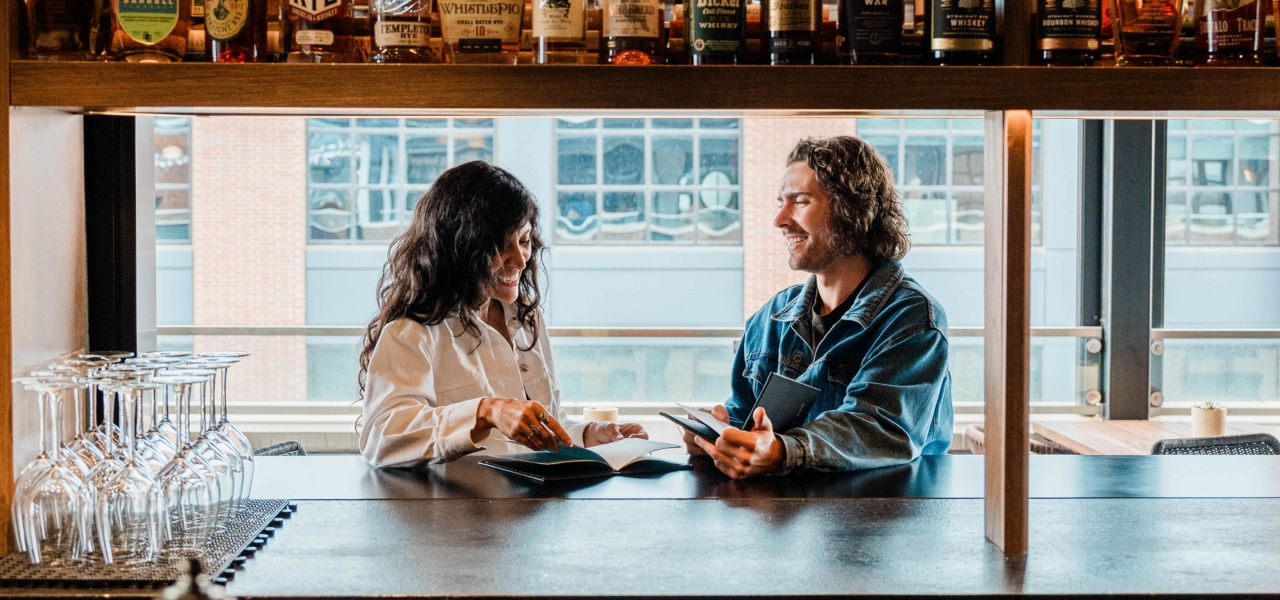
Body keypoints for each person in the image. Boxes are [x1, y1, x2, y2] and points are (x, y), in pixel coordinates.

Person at [685, 136, 953, 479]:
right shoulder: (771, 316)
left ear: (852, 210)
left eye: (800, 202)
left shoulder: (912, 319)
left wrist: (784, 451)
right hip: (780, 524)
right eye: (781, 202)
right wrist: (716, 438)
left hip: (881, 521)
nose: (780, 219)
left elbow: (879, 426)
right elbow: (745, 417)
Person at [358, 161, 647, 468]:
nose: (521, 260)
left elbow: (540, 431)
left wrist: (590, 436)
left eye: (524, 241)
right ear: (459, 250)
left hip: (531, 511)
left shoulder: (526, 320)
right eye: (499, 247)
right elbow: (382, 437)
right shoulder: (412, 333)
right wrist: (485, 411)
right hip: (454, 513)